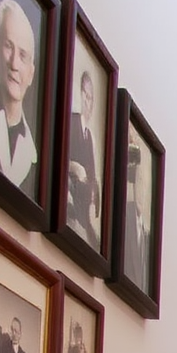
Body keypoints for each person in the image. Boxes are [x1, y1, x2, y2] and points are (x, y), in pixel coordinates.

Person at [0, 0, 38, 195]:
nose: (14, 63)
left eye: (23, 55)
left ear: (31, 73)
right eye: (8, 46)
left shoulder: (32, 154)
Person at [67, 69, 101, 248]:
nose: (88, 103)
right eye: (85, 96)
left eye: (91, 99)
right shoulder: (70, 123)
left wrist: (94, 195)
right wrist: (75, 168)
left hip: (85, 203)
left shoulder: (90, 137)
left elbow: (93, 175)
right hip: (71, 199)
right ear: (80, 95)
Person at [123, 141, 152, 289]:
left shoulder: (147, 235)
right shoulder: (123, 217)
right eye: (139, 181)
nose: (142, 188)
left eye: (145, 184)